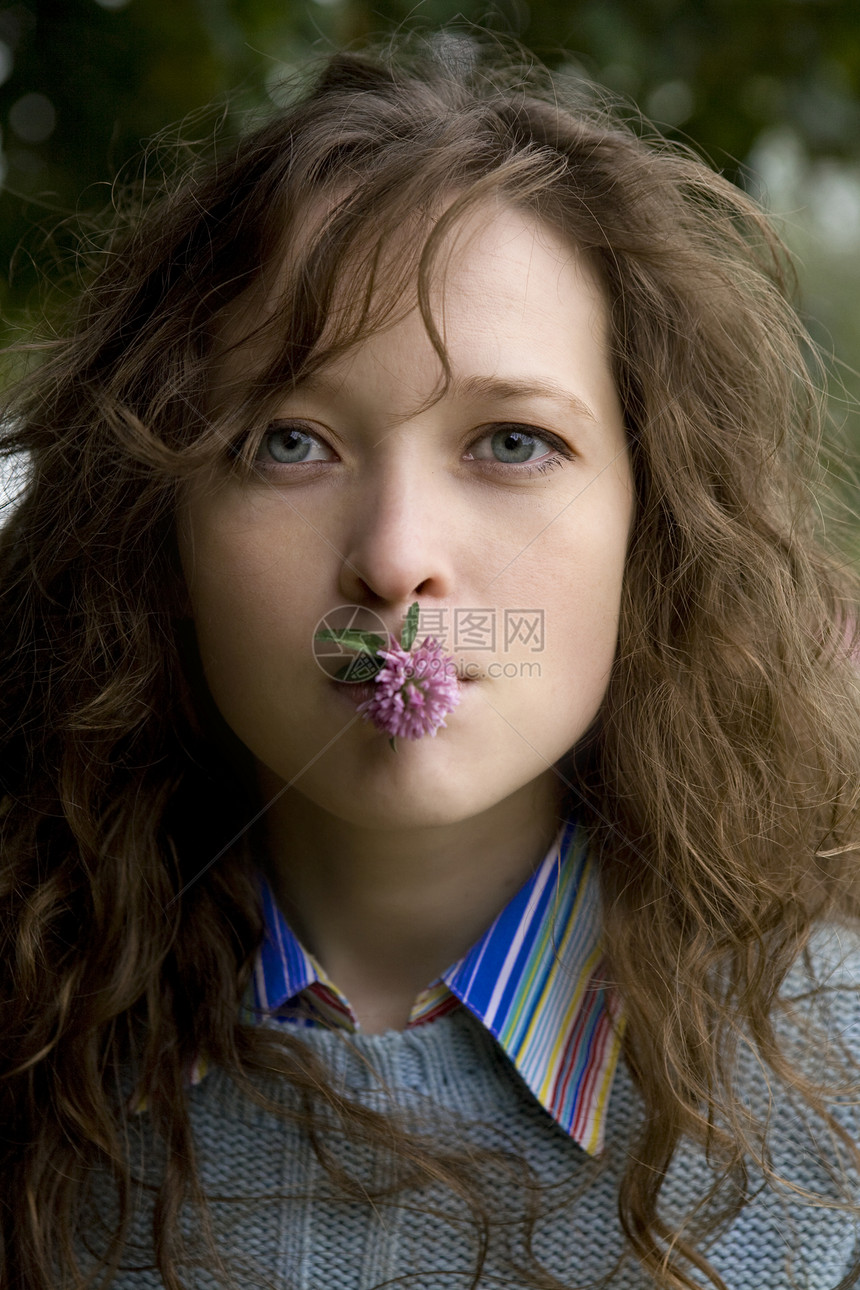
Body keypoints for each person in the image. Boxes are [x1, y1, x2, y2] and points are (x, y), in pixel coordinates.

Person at [1, 28, 859, 1290]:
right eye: (289, 442)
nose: (397, 562)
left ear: (653, 520)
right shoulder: (31, 1042)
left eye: (510, 444)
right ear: (156, 526)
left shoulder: (831, 1089)